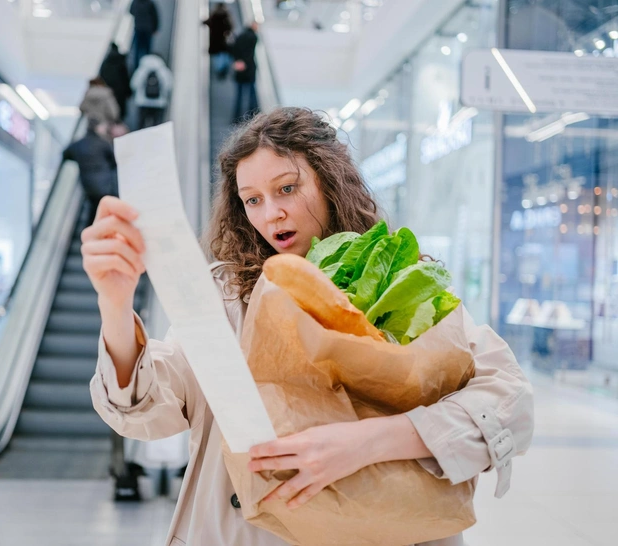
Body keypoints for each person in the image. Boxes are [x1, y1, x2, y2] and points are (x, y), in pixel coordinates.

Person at [83, 108, 534, 545]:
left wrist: (368, 442)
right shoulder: (226, 296)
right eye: (253, 200)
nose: (271, 213)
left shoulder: (400, 278)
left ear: (330, 183)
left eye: (287, 188)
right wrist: (115, 305)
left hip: (380, 530)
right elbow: (150, 406)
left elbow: (508, 401)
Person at [62, 120, 118, 227]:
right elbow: (114, 160)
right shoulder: (102, 143)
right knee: (105, 208)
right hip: (104, 184)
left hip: (88, 185)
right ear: (97, 128)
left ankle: (90, 232)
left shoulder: (79, 144)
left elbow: (65, 154)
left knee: (94, 208)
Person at [130, 53, 173, 130]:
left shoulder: (142, 69)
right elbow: (168, 86)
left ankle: (141, 140)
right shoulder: (163, 70)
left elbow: (134, 84)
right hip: (159, 103)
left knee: (141, 126)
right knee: (157, 127)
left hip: (143, 103)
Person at [230, 22, 260, 123]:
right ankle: (253, 115)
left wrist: (238, 61)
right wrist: (246, 63)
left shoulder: (240, 36)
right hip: (250, 70)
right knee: (252, 93)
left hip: (240, 70)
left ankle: (236, 117)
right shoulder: (253, 37)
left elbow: (234, 49)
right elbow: (250, 53)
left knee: (239, 94)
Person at [100, 43, 133, 121]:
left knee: (110, 111)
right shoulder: (121, 62)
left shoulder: (106, 62)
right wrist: (128, 91)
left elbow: (102, 77)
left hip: (109, 91)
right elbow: (125, 77)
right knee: (119, 112)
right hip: (120, 92)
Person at [203, 3, 234, 79]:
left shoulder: (214, 16)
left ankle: (220, 72)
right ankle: (224, 70)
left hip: (215, 43)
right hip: (224, 43)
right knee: (224, 57)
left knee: (218, 59)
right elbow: (230, 27)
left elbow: (207, 22)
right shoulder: (226, 16)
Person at [129, 0, 159, 73]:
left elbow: (131, 11)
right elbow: (155, 16)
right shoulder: (150, 3)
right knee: (147, 51)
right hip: (147, 30)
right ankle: (146, 70)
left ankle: (136, 70)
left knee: (137, 51)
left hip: (138, 29)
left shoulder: (135, 2)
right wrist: (155, 28)